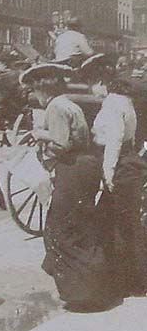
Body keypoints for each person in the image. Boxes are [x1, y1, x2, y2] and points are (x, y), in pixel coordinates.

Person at [20, 63, 116, 311]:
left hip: (71, 171)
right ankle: (94, 286)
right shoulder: (70, 103)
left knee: (61, 228)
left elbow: (61, 144)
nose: (35, 97)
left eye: (34, 91)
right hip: (85, 167)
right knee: (81, 226)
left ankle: (81, 293)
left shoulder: (55, 107)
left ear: (43, 90)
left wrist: (40, 134)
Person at [80, 61, 147, 298]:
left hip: (118, 166)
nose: (92, 91)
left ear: (101, 83)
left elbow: (115, 140)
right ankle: (132, 279)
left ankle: (129, 281)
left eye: (92, 85)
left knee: (118, 225)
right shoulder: (125, 102)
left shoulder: (111, 105)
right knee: (125, 224)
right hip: (129, 163)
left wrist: (108, 173)